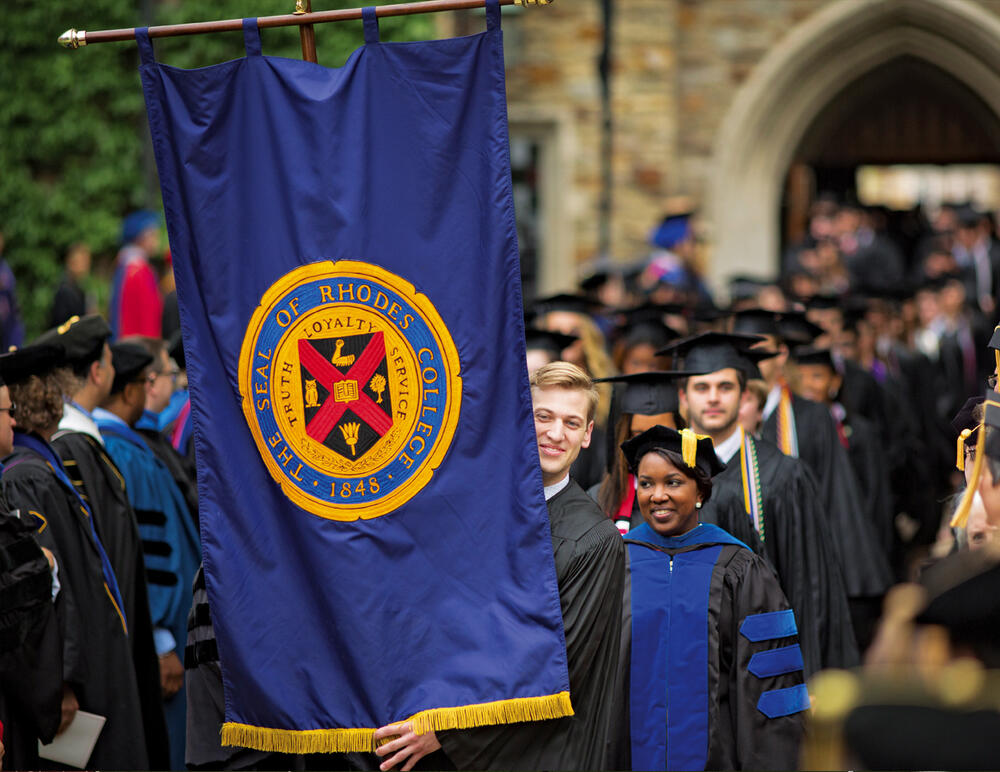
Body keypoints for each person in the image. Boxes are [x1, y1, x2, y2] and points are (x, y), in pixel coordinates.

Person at [373, 362, 625, 771]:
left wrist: (448, 732)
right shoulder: (472, 507)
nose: (556, 433)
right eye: (543, 416)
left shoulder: (594, 540)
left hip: (532, 753)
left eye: (571, 422)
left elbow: (563, 670)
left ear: (587, 435)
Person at [613, 425, 807, 770]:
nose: (657, 495)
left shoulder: (739, 567)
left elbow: (770, 684)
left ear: (700, 490)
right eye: (646, 483)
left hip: (719, 757)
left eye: (673, 482)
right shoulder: (616, 562)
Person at [664, 331, 859, 674]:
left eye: (725, 387)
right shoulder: (666, 477)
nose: (713, 399)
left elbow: (807, 586)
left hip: (763, 668)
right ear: (683, 397)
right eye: (701, 388)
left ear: (744, 397)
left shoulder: (783, 477)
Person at [0, 342, 148, 769]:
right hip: (70, 679)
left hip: (91, 660)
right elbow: (42, 592)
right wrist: (64, 677)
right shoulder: (27, 477)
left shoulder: (45, 466)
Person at [39, 315, 170, 768]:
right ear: (98, 372)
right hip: (98, 659)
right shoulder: (73, 451)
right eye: (109, 361)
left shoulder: (83, 446)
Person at [95, 342, 200, 771]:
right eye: (144, 383)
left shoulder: (127, 447)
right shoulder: (123, 454)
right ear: (130, 391)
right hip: (166, 638)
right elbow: (147, 552)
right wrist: (162, 642)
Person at [591, 371, 686, 533]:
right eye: (639, 435)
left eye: (662, 433)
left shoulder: (706, 497)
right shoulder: (598, 499)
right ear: (625, 436)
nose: (651, 446)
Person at [110, 210, 164, 339]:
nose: (157, 240)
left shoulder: (126, 268)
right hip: (141, 347)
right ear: (141, 238)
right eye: (154, 235)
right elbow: (147, 319)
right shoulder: (139, 272)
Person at [49, 243, 93, 328]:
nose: (86, 267)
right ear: (70, 263)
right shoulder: (65, 292)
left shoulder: (79, 289)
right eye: (82, 262)